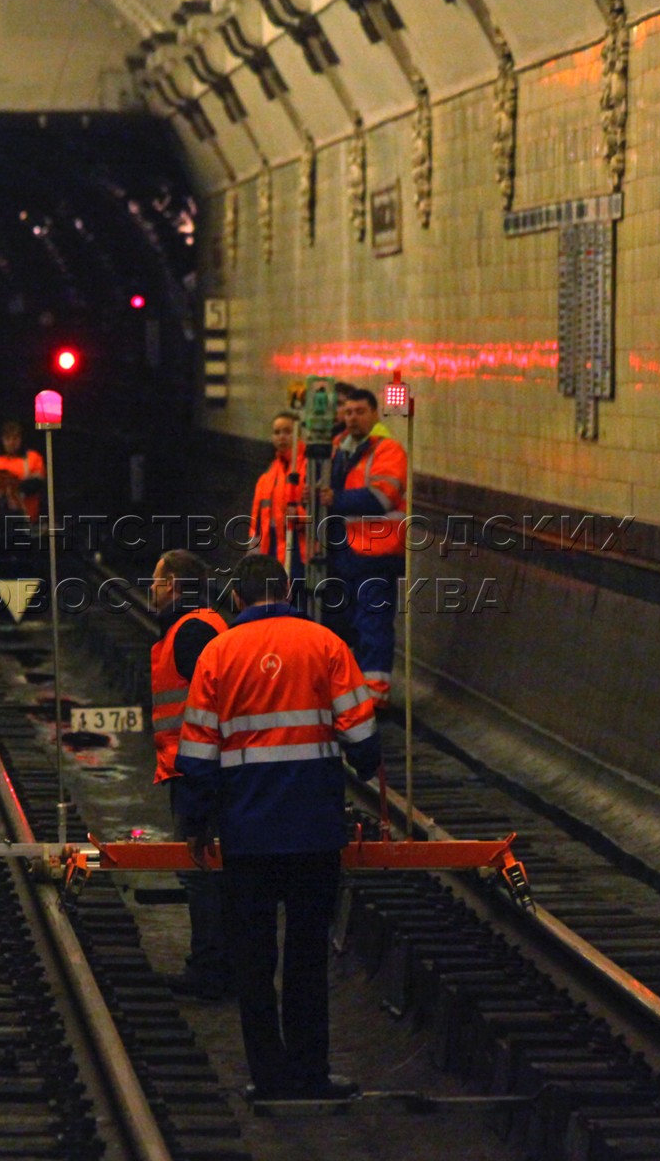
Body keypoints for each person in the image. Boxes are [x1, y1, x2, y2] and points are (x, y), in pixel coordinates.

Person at [175, 553, 382, 1102]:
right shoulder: (325, 645)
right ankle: (311, 1075)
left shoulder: (217, 653)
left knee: (254, 959)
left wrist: (195, 821)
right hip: (314, 831)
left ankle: (268, 1078)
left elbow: (196, 752)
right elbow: (362, 740)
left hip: (246, 835)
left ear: (236, 599)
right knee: (308, 955)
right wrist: (364, 765)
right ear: (288, 589)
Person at [147, 550, 230, 1000]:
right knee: (209, 870)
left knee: (202, 871)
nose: (153, 588)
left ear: (175, 584)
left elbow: (208, 708)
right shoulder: (198, 625)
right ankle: (219, 965)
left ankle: (212, 970)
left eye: (158, 581)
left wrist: (199, 773)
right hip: (196, 767)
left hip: (198, 770)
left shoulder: (191, 631)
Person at [319, 386, 408, 707]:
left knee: (373, 624)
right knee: (345, 624)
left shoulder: (388, 451)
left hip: (376, 555)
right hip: (344, 554)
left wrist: (335, 500)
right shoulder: (337, 449)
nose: (352, 418)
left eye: (359, 412)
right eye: (348, 412)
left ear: (373, 414)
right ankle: (350, 691)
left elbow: (383, 496)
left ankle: (374, 697)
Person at [248, 410, 307, 574]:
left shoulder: (308, 466)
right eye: (277, 432)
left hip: (299, 548)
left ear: (299, 434)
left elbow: (319, 509)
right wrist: (253, 555)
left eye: (287, 432)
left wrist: (299, 515)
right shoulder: (269, 474)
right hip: (272, 548)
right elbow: (257, 519)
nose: (282, 437)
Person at [0, 420, 45, 520]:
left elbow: (37, 484)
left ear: (21, 439)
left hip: (23, 516)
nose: (12, 442)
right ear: (2, 439)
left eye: (15, 438)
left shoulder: (33, 458)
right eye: (8, 438)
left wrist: (14, 491)